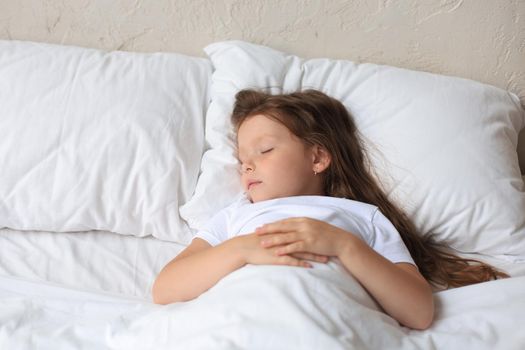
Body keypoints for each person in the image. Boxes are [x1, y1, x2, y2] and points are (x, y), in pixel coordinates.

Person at [152, 89, 508, 330]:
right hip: (240, 320)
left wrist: (343, 245)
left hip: (326, 323)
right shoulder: (235, 217)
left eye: (264, 151)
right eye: (241, 159)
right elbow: (165, 288)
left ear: (318, 157)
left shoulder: (358, 216)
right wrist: (241, 248)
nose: (246, 166)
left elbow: (418, 312)